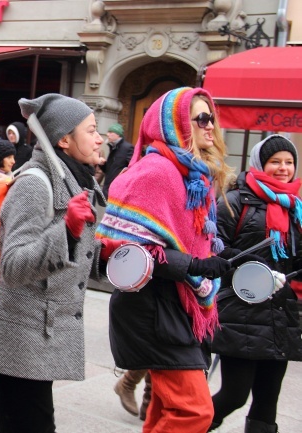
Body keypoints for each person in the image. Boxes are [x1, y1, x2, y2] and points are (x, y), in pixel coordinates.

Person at [95, 87, 258, 433]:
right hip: (151, 307)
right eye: (201, 118)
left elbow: (194, 238)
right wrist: (195, 266)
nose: (210, 125)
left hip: (176, 306)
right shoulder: (156, 171)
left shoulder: (193, 176)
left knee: (165, 410)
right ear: (175, 125)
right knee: (194, 412)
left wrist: (216, 255)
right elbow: (121, 249)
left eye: (211, 117)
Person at [0, 93, 109, 433]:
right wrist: (68, 230)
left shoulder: (78, 180)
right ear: (64, 139)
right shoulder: (35, 184)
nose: (99, 138)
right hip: (22, 341)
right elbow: (14, 265)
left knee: (5, 422)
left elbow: (71, 256)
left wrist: (103, 253)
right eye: (91, 130)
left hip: (40, 341)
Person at [208, 134, 302, 433]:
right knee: (234, 395)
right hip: (242, 310)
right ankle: (184, 426)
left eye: (289, 162)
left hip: (281, 313)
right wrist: (257, 271)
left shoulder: (296, 206)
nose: (283, 168)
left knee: (267, 401)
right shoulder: (234, 200)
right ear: (260, 163)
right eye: (275, 162)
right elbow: (213, 247)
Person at [99, 122, 134, 199]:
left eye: (110, 132)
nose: (107, 134)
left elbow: (131, 168)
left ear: (118, 134)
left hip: (118, 190)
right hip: (108, 188)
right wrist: (101, 164)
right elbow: (109, 171)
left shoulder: (127, 148)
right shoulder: (112, 147)